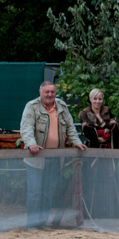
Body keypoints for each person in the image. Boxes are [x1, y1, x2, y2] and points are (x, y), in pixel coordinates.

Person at [19, 81, 87, 230]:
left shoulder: (61, 106)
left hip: (56, 156)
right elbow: (26, 128)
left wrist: (77, 142)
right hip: (35, 158)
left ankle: (42, 223)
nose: (50, 95)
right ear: (40, 92)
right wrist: (31, 144)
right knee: (35, 192)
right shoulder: (31, 106)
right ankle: (31, 225)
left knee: (48, 192)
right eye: (47, 92)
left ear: (55, 93)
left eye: (52, 92)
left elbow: (70, 126)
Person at [78, 88, 119, 218]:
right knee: (93, 181)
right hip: (94, 155)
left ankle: (112, 212)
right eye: (95, 98)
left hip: (108, 153)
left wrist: (101, 133)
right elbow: (88, 132)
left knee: (111, 179)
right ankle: (93, 212)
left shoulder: (107, 111)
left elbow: (114, 130)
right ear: (90, 99)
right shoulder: (84, 114)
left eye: (100, 99)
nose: (97, 101)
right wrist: (103, 133)